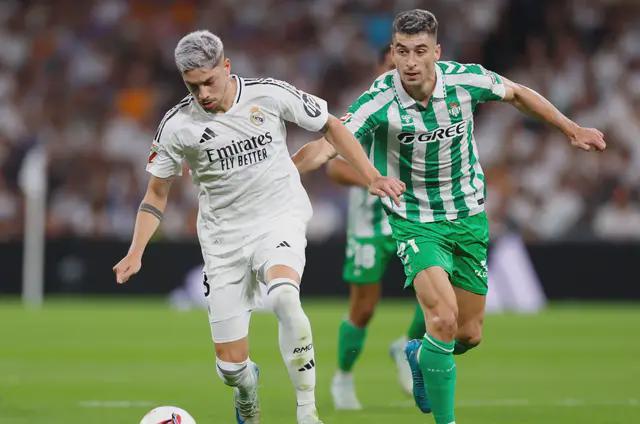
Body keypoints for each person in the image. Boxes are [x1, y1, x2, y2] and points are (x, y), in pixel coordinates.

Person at [292, 9, 605, 424]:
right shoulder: (380, 99)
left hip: (468, 215)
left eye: (420, 51)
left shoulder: (464, 80)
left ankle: (419, 353)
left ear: (437, 52)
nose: (410, 62)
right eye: (402, 51)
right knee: (441, 318)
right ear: (392, 53)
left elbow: (516, 93)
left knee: (468, 334)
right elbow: (327, 145)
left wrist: (571, 129)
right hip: (415, 222)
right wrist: (278, 173)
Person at [112, 30, 405, 424]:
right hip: (223, 240)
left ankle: (307, 411)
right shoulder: (177, 126)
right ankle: (247, 387)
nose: (203, 94)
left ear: (226, 66)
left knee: (284, 297)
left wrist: (371, 176)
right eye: (193, 86)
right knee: (230, 367)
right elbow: (156, 194)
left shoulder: (268, 94)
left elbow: (332, 126)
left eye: (209, 82)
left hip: (278, 218)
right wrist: (136, 251)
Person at [295, 46, 425, 410]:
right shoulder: (366, 109)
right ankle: (343, 375)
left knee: (438, 289)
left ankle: (407, 345)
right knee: (364, 307)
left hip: (415, 216)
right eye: (392, 65)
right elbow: (334, 167)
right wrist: (375, 180)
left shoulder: (425, 108)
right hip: (370, 222)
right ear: (379, 68)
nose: (401, 71)